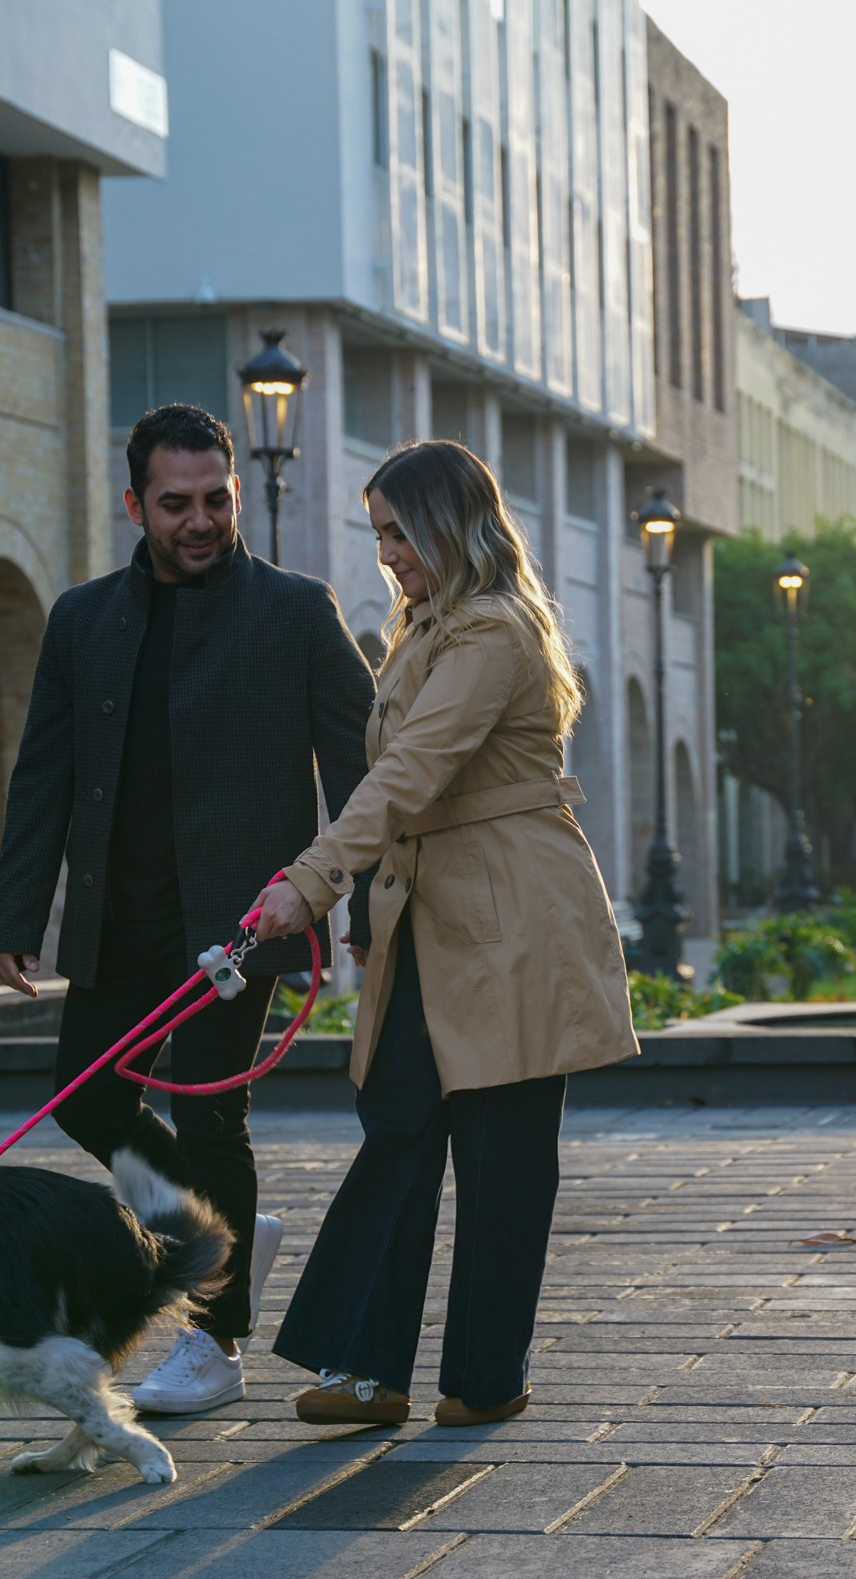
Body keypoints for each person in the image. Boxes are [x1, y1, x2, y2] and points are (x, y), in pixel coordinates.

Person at [0, 403, 375, 1415]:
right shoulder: (82, 618)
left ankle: (217, 1335)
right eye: (175, 504)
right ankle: (217, 1234)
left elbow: (363, 772)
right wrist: (15, 910)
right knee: (85, 1097)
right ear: (135, 504)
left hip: (241, 920)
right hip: (121, 913)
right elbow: (45, 776)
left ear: (235, 491)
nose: (199, 521)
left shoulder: (295, 610)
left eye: (216, 500)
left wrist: (364, 907)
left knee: (208, 1114)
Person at [244, 438, 636, 1429]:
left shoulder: (493, 634)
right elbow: (402, 781)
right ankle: (368, 1367)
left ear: (449, 526)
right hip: (433, 912)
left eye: (399, 532)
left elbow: (410, 770)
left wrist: (313, 881)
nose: (387, 554)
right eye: (376, 533)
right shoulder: (428, 629)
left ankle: (484, 1376)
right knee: (399, 1131)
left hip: (512, 917)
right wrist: (361, 899)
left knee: (503, 1155)